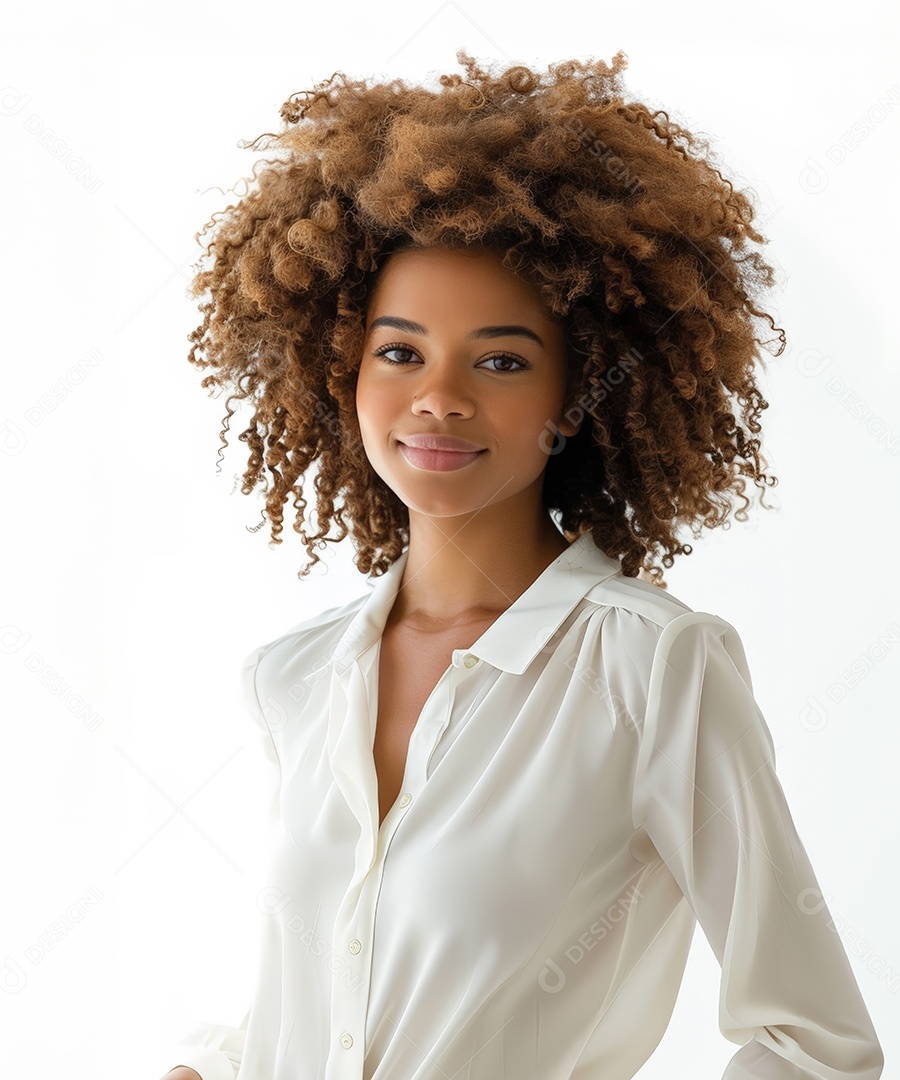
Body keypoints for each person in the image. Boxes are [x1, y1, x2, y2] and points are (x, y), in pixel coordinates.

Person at [156, 51, 884, 1080]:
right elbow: (322, 1002)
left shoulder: (652, 669)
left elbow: (815, 1045)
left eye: (501, 360)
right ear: (343, 367)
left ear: (578, 393)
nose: (439, 399)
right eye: (400, 351)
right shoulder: (296, 677)